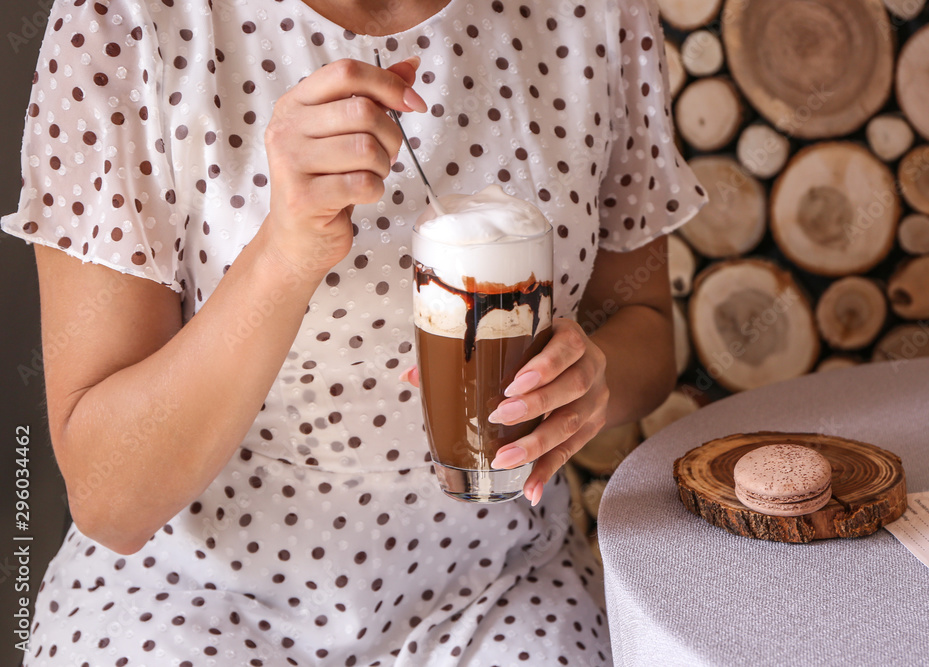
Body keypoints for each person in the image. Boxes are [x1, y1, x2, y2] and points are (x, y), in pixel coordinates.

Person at [3, 0, 706, 664]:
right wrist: (285, 252)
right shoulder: (125, 21)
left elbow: (643, 330)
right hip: (184, 585)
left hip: (498, 577)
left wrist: (590, 380)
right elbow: (110, 498)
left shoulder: (598, 13)